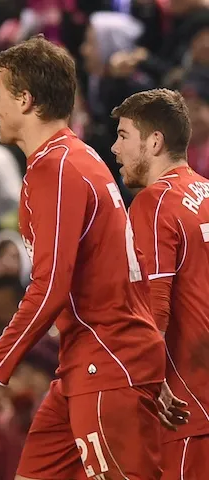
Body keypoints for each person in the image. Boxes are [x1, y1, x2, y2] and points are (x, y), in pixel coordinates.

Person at [0, 36, 168, 480]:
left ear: (25, 100)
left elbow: (49, 290)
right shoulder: (75, 158)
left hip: (107, 363)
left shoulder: (56, 168)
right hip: (85, 365)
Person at [112, 88, 208, 480]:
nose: (114, 148)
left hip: (186, 406)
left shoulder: (155, 202)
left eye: (123, 136)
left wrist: (150, 382)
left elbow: (153, 307)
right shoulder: (206, 193)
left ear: (154, 142)